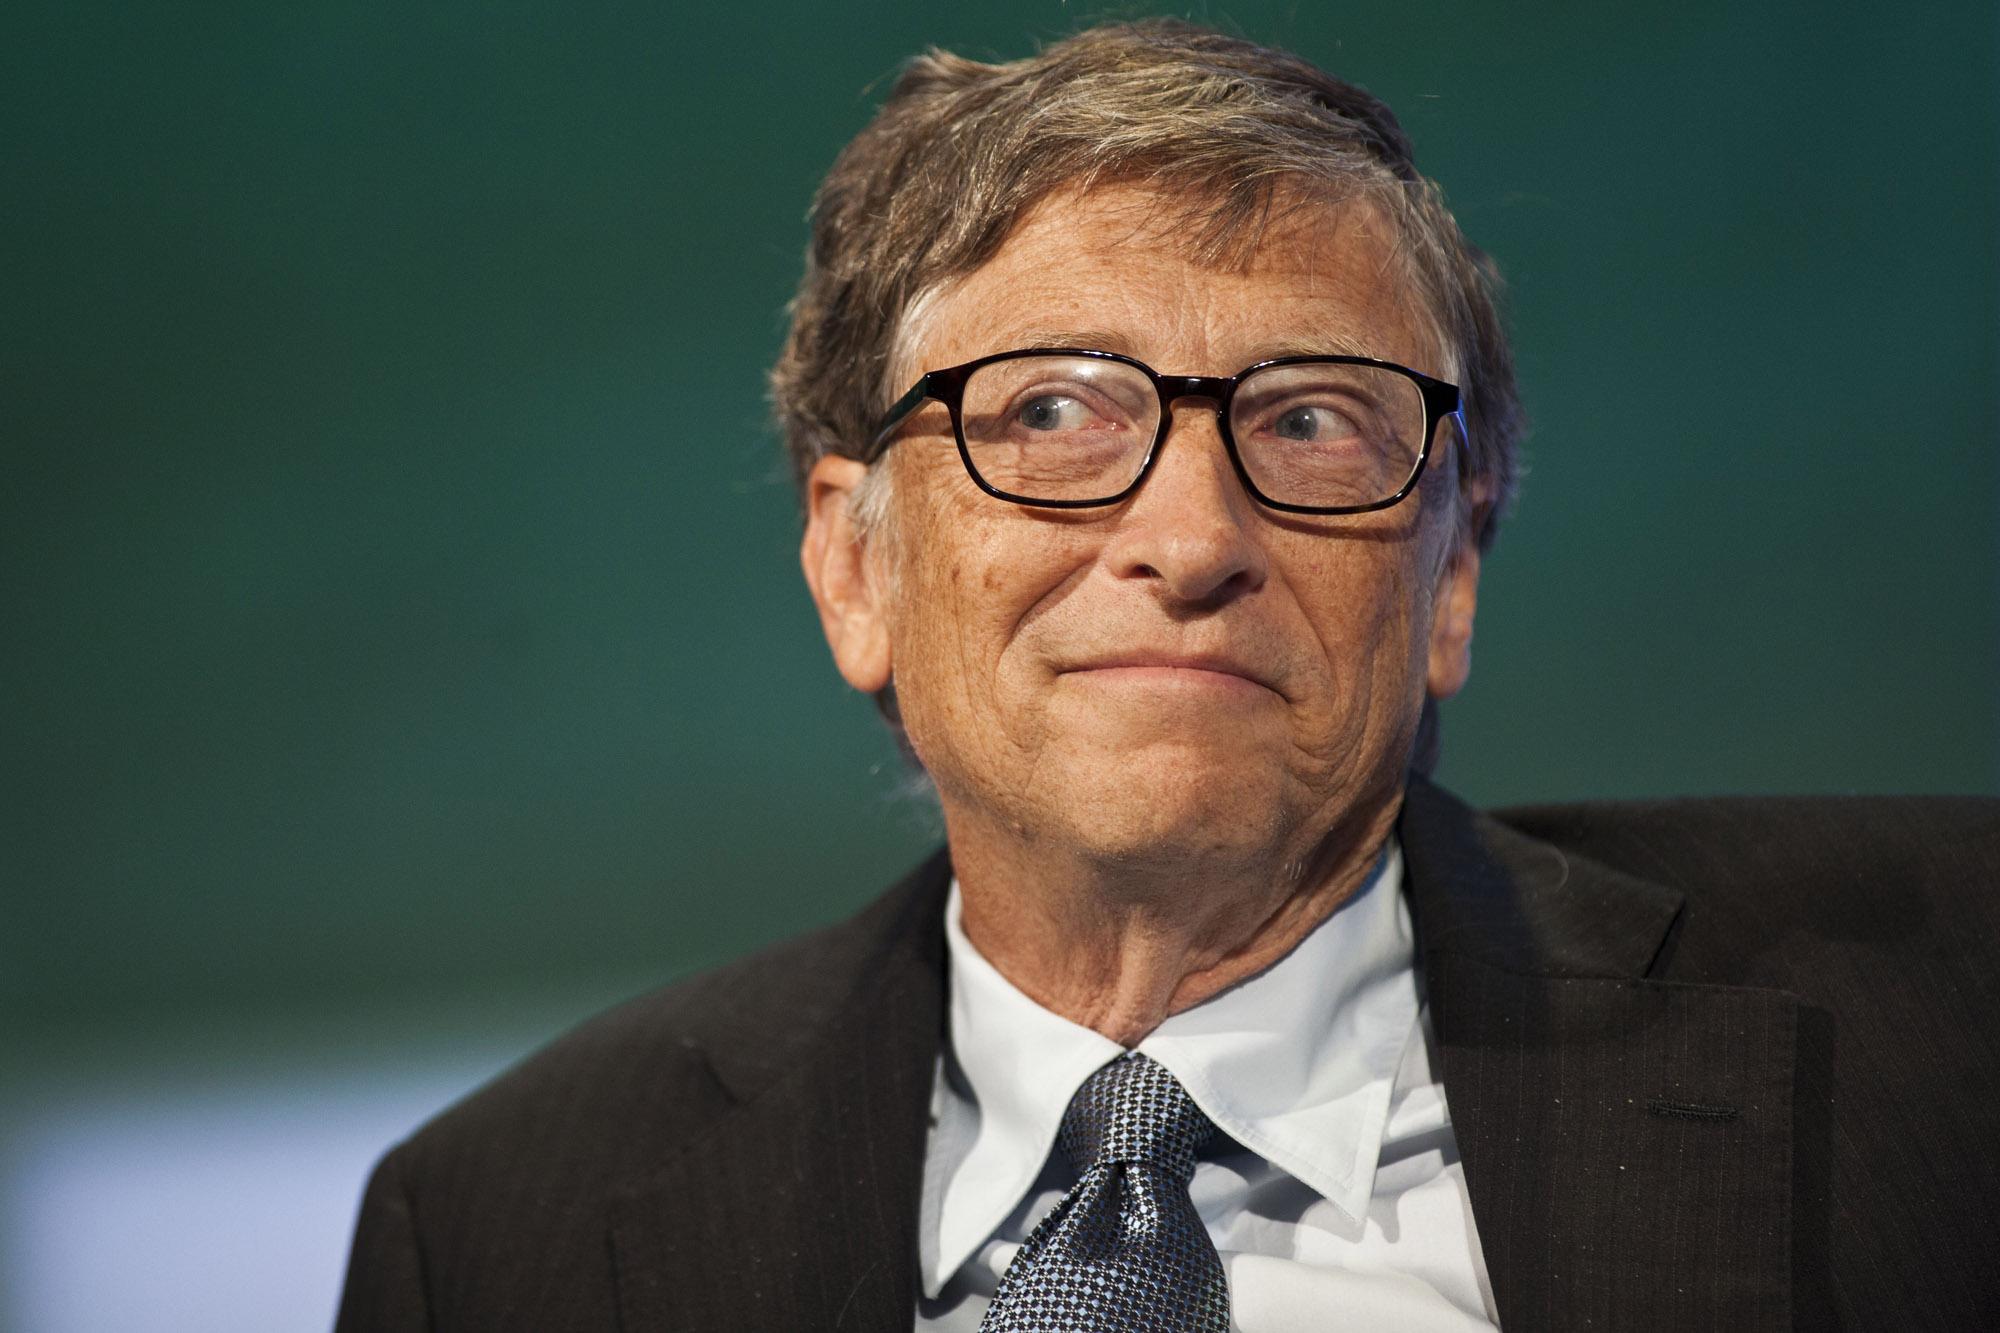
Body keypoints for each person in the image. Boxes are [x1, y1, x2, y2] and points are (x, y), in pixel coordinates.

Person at [334, 20, 1998, 1331]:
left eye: (1310, 419)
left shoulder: (1945, 1020)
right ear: (859, 567)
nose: (1190, 536)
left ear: (1450, 578)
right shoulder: (500, 1232)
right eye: (1052, 413)